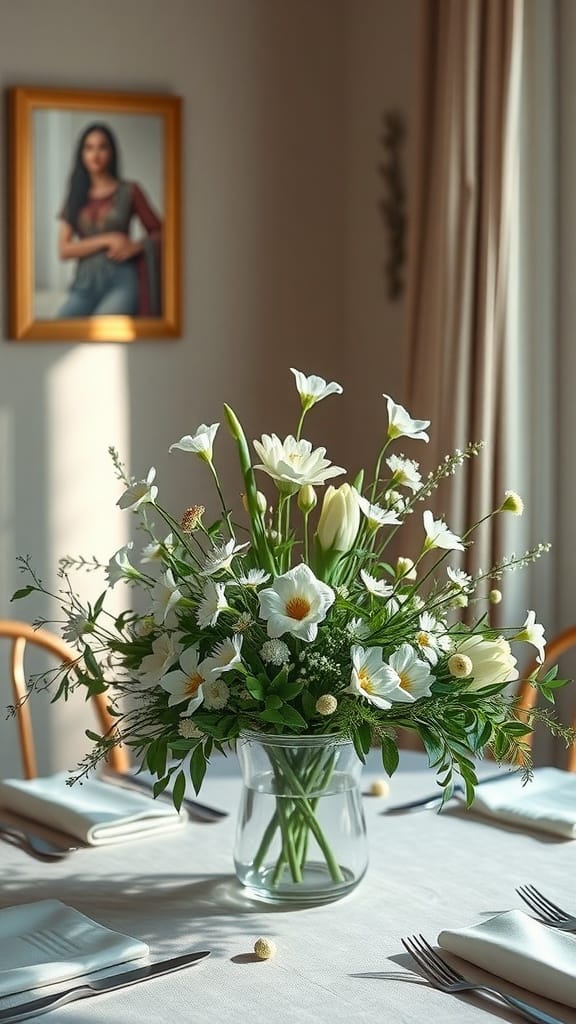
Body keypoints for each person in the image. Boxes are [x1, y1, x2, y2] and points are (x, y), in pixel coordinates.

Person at [57, 122, 162, 318]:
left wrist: (135, 246)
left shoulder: (130, 191)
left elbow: (162, 232)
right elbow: (64, 250)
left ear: (111, 152)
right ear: (82, 154)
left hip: (121, 282)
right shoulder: (75, 195)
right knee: (57, 330)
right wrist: (108, 239)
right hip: (84, 285)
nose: (95, 154)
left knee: (103, 336)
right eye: (89, 148)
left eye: (102, 147)